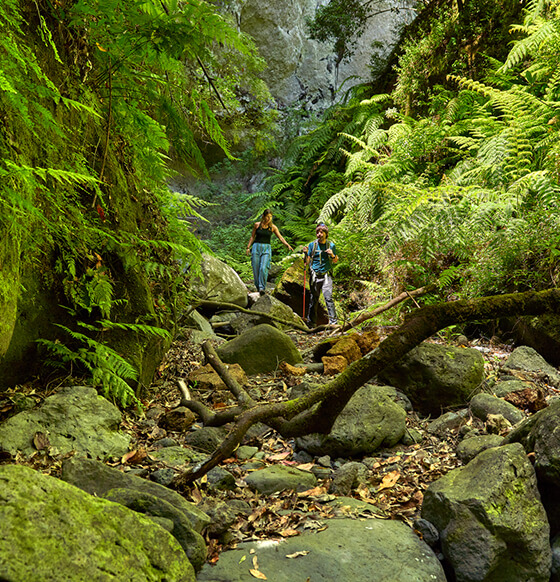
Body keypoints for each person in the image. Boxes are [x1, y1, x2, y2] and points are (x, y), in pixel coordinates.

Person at [246, 209, 293, 295]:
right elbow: (252, 237)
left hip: (266, 249)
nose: (268, 219)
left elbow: (280, 237)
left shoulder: (273, 227)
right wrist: (248, 247)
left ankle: (261, 287)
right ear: (263, 216)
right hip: (256, 247)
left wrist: (287, 244)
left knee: (263, 268)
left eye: (270, 217)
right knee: (256, 268)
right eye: (267, 217)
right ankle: (257, 286)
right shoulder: (257, 225)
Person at [305, 223, 338, 327]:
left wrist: (332, 254)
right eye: (318, 232)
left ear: (326, 233)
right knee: (314, 299)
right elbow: (307, 261)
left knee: (328, 298)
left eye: (321, 232)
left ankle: (333, 323)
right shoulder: (312, 245)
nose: (319, 234)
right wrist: (306, 253)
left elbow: (335, 260)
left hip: (326, 274)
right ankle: (311, 324)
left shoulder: (331, 245)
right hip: (315, 274)